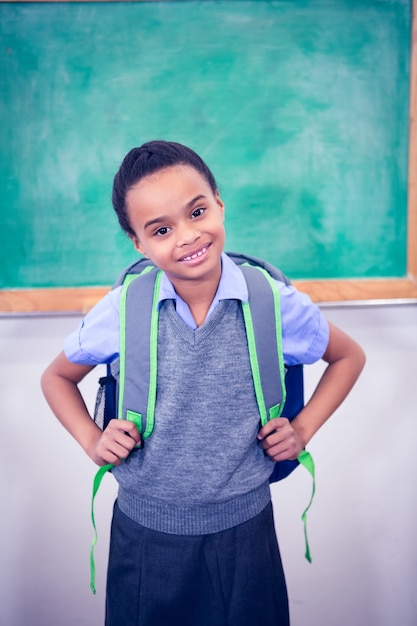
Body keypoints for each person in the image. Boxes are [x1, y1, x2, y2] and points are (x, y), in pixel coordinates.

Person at [41, 140, 365, 626]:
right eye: (162, 229)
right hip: (144, 534)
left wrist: (303, 430)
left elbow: (347, 356)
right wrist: (92, 438)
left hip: (246, 534)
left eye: (197, 211)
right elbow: (57, 377)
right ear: (138, 243)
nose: (188, 235)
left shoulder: (270, 302)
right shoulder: (124, 309)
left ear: (219, 202)